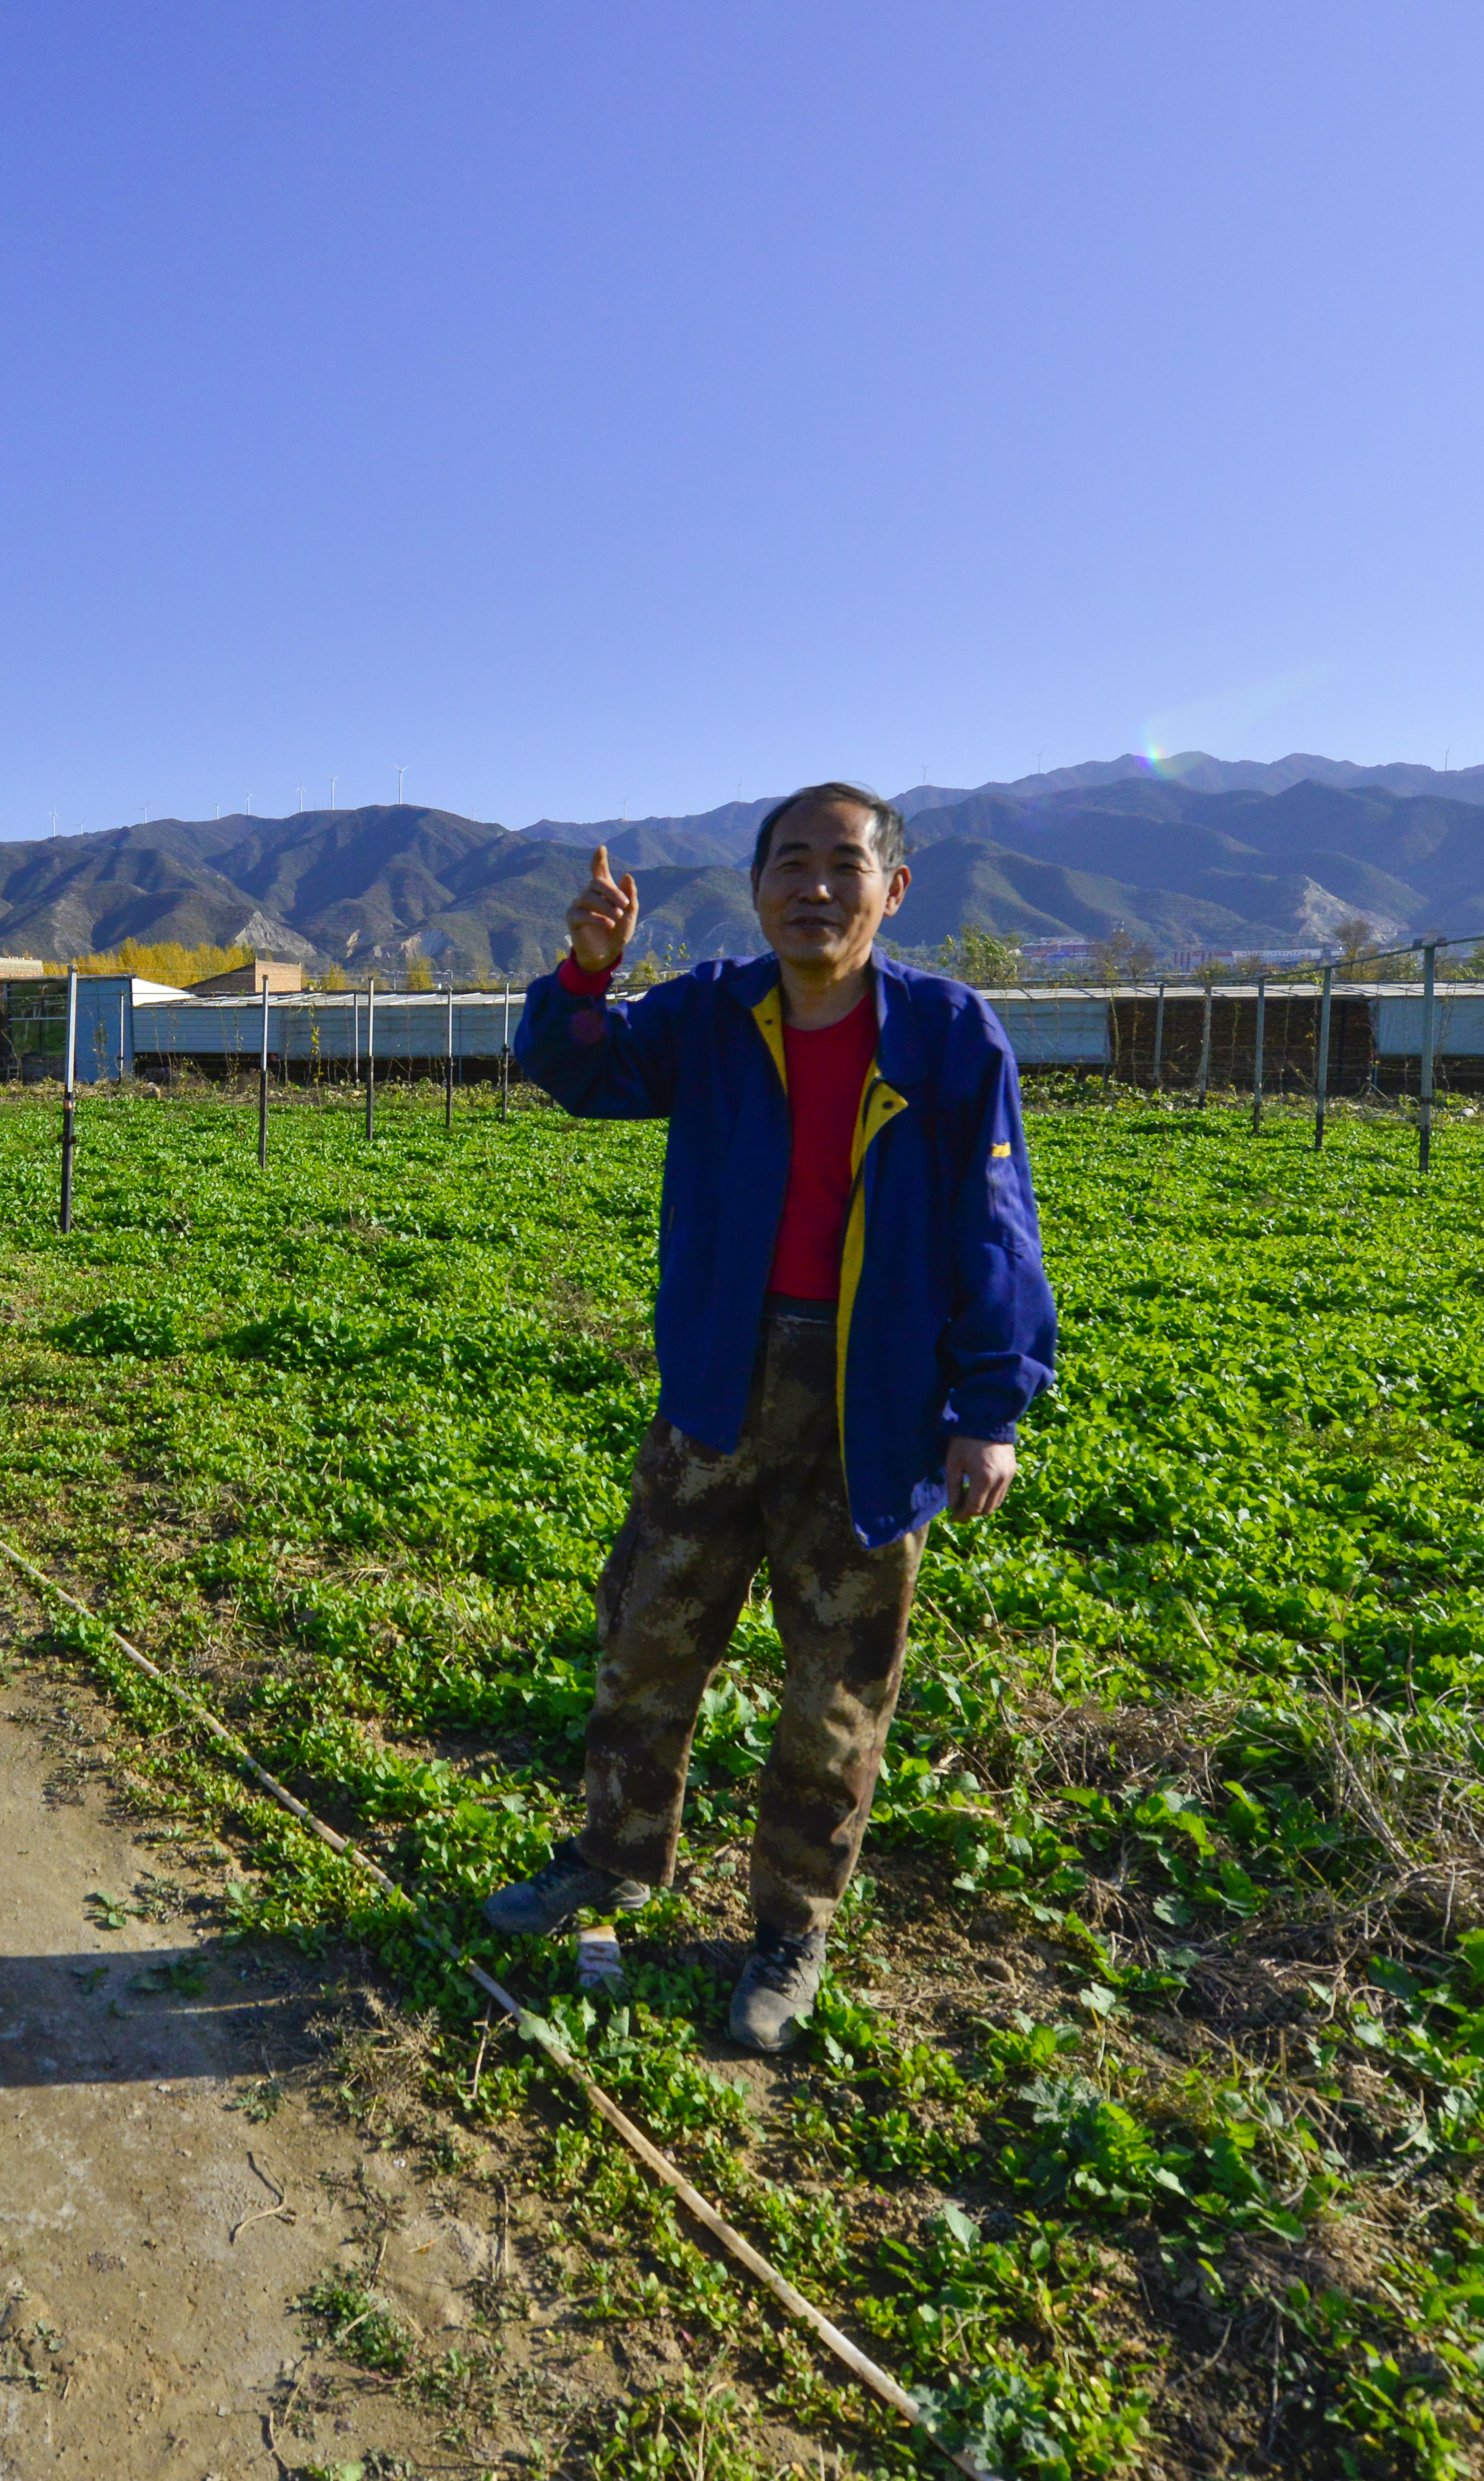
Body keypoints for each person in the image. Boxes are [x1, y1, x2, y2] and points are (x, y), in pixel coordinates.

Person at [488, 782, 1058, 2053]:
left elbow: (995, 1231)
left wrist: (988, 1408)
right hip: (714, 1381)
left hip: (877, 1404)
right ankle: (613, 1862)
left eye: (841, 865)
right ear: (754, 890)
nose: (814, 887)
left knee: (834, 1691)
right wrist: (584, 979)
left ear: (889, 891)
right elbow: (579, 1074)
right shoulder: (708, 1014)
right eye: (788, 865)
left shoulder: (951, 1037)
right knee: (646, 1637)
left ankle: (790, 1926)